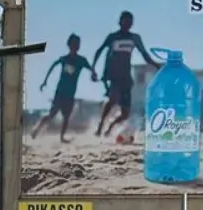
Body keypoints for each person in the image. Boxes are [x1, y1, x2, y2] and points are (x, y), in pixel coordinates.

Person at [92, 13, 160, 141]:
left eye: (130, 22)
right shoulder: (113, 37)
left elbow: (145, 54)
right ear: (120, 22)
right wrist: (93, 69)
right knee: (112, 98)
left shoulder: (135, 38)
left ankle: (110, 127)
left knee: (125, 113)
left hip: (126, 77)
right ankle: (101, 125)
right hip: (113, 74)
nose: (128, 24)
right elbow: (99, 51)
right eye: (125, 21)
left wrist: (157, 65)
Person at [31, 35, 92, 145]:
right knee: (52, 114)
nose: (76, 46)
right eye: (74, 44)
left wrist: (94, 74)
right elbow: (52, 66)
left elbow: (91, 69)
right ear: (69, 45)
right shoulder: (64, 59)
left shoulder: (81, 60)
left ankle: (62, 137)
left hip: (71, 93)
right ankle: (37, 128)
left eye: (77, 44)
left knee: (66, 116)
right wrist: (45, 81)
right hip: (60, 91)